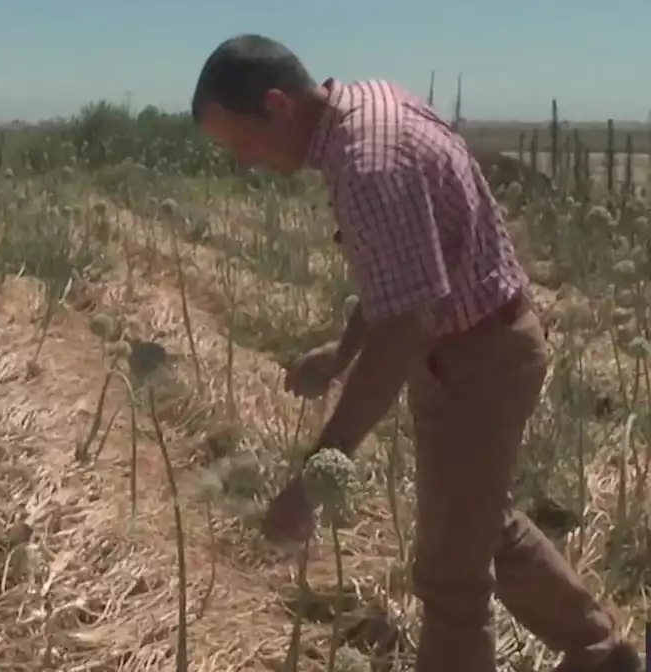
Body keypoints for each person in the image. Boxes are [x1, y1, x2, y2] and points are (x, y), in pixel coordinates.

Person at [190, 34, 643, 672]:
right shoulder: (368, 107)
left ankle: (602, 655)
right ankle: (604, 656)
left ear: (277, 105)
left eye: (242, 142)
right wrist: (343, 351)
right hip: (467, 349)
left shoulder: (368, 163)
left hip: (479, 358)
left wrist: (319, 471)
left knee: (450, 577)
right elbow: (404, 274)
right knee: (483, 523)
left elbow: (405, 326)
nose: (245, 161)